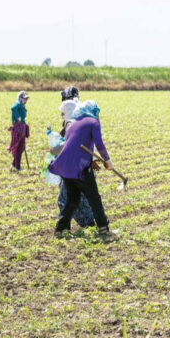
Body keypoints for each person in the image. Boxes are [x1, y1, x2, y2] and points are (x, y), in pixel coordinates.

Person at [48, 101, 118, 243]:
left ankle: (60, 229)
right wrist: (108, 161)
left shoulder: (73, 123)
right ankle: (104, 229)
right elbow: (99, 144)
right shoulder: (93, 122)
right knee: (94, 198)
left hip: (65, 166)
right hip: (79, 168)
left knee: (73, 198)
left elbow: (71, 146)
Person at [54, 95, 95, 229]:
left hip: (74, 169)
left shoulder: (72, 126)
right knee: (75, 198)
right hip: (75, 167)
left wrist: (54, 150)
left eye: (63, 113)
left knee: (69, 199)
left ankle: (82, 224)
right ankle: (85, 223)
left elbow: (67, 147)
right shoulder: (73, 124)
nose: (61, 115)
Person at [8, 91, 30, 171]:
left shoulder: (21, 105)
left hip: (21, 127)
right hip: (18, 128)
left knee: (20, 147)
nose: (26, 100)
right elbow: (13, 108)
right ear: (20, 98)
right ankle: (17, 167)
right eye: (24, 98)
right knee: (19, 147)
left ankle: (14, 164)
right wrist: (18, 118)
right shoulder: (18, 103)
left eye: (26, 99)